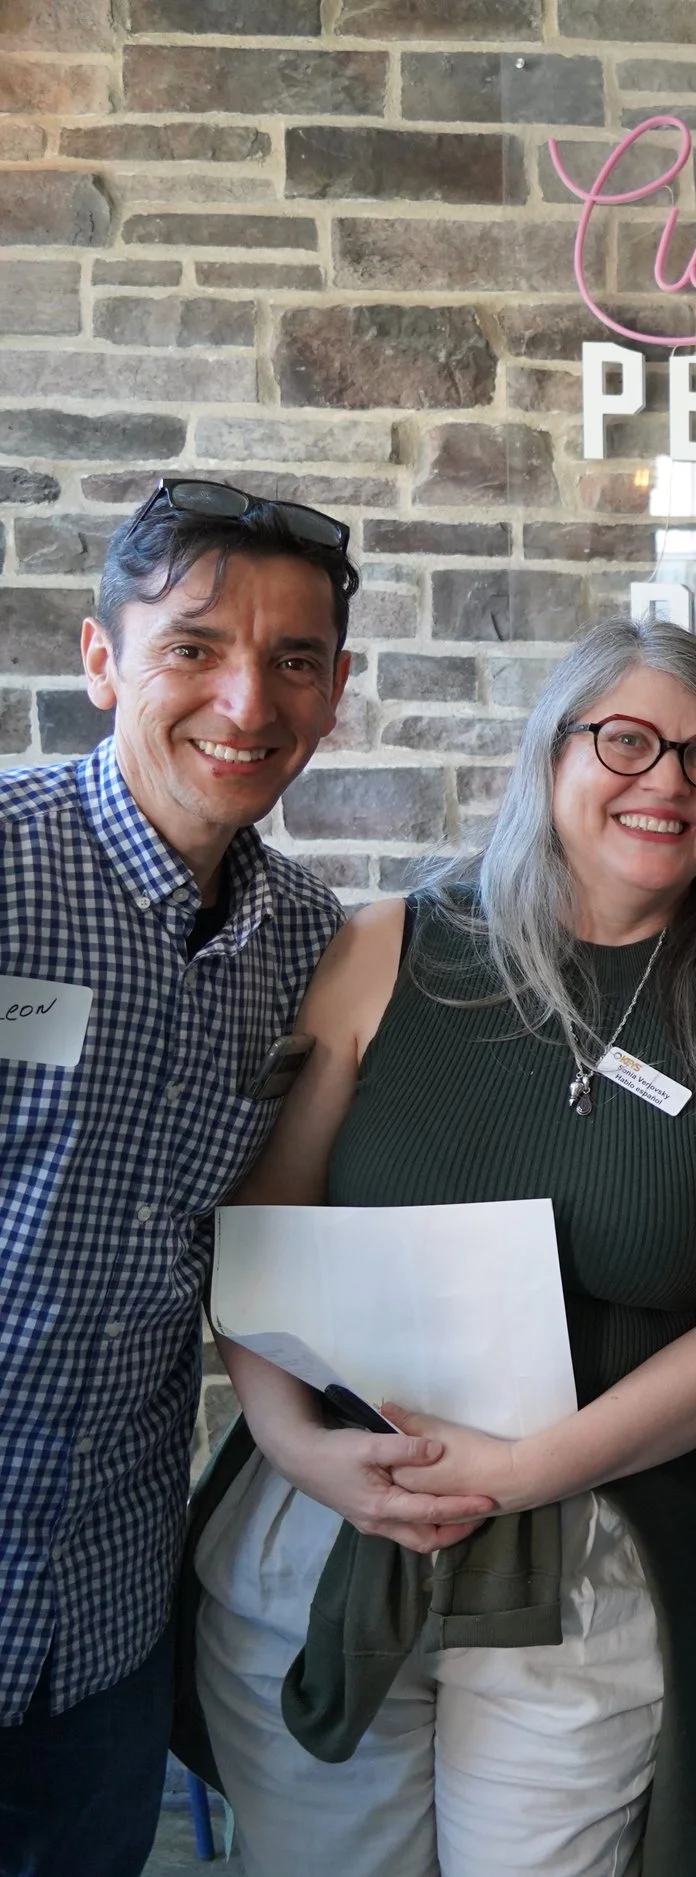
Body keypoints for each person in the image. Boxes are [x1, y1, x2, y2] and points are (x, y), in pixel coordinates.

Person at [180, 618, 696, 1877]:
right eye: (627, 740)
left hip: (589, 1559)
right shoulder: (387, 947)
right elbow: (259, 1229)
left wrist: (529, 1466)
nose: (667, 781)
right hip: (328, 1524)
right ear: (551, 755)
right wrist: (297, 1442)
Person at [0, 480, 356, 1877]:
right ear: (101, 661)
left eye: (294, 659)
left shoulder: (310, 950)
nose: (247, 702)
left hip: (102, 1613)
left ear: (334, 695)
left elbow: (274, 1237)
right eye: (194, 647)